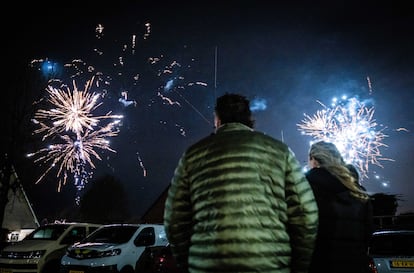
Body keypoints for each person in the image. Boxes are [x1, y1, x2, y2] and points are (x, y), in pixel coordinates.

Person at [164, 93, 319, 273]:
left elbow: (174, 221)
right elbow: (306, 214)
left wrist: (191, 263)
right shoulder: (280, 152)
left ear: (217, 119)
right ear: (250, 119)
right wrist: (297, 266)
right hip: (269, 265)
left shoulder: (192, 155)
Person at [305, 141, 374, 273]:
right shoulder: (359, 192)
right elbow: (368, 234)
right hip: (356, 265)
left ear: (313, 160)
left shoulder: (305, 187)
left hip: (318, 265)